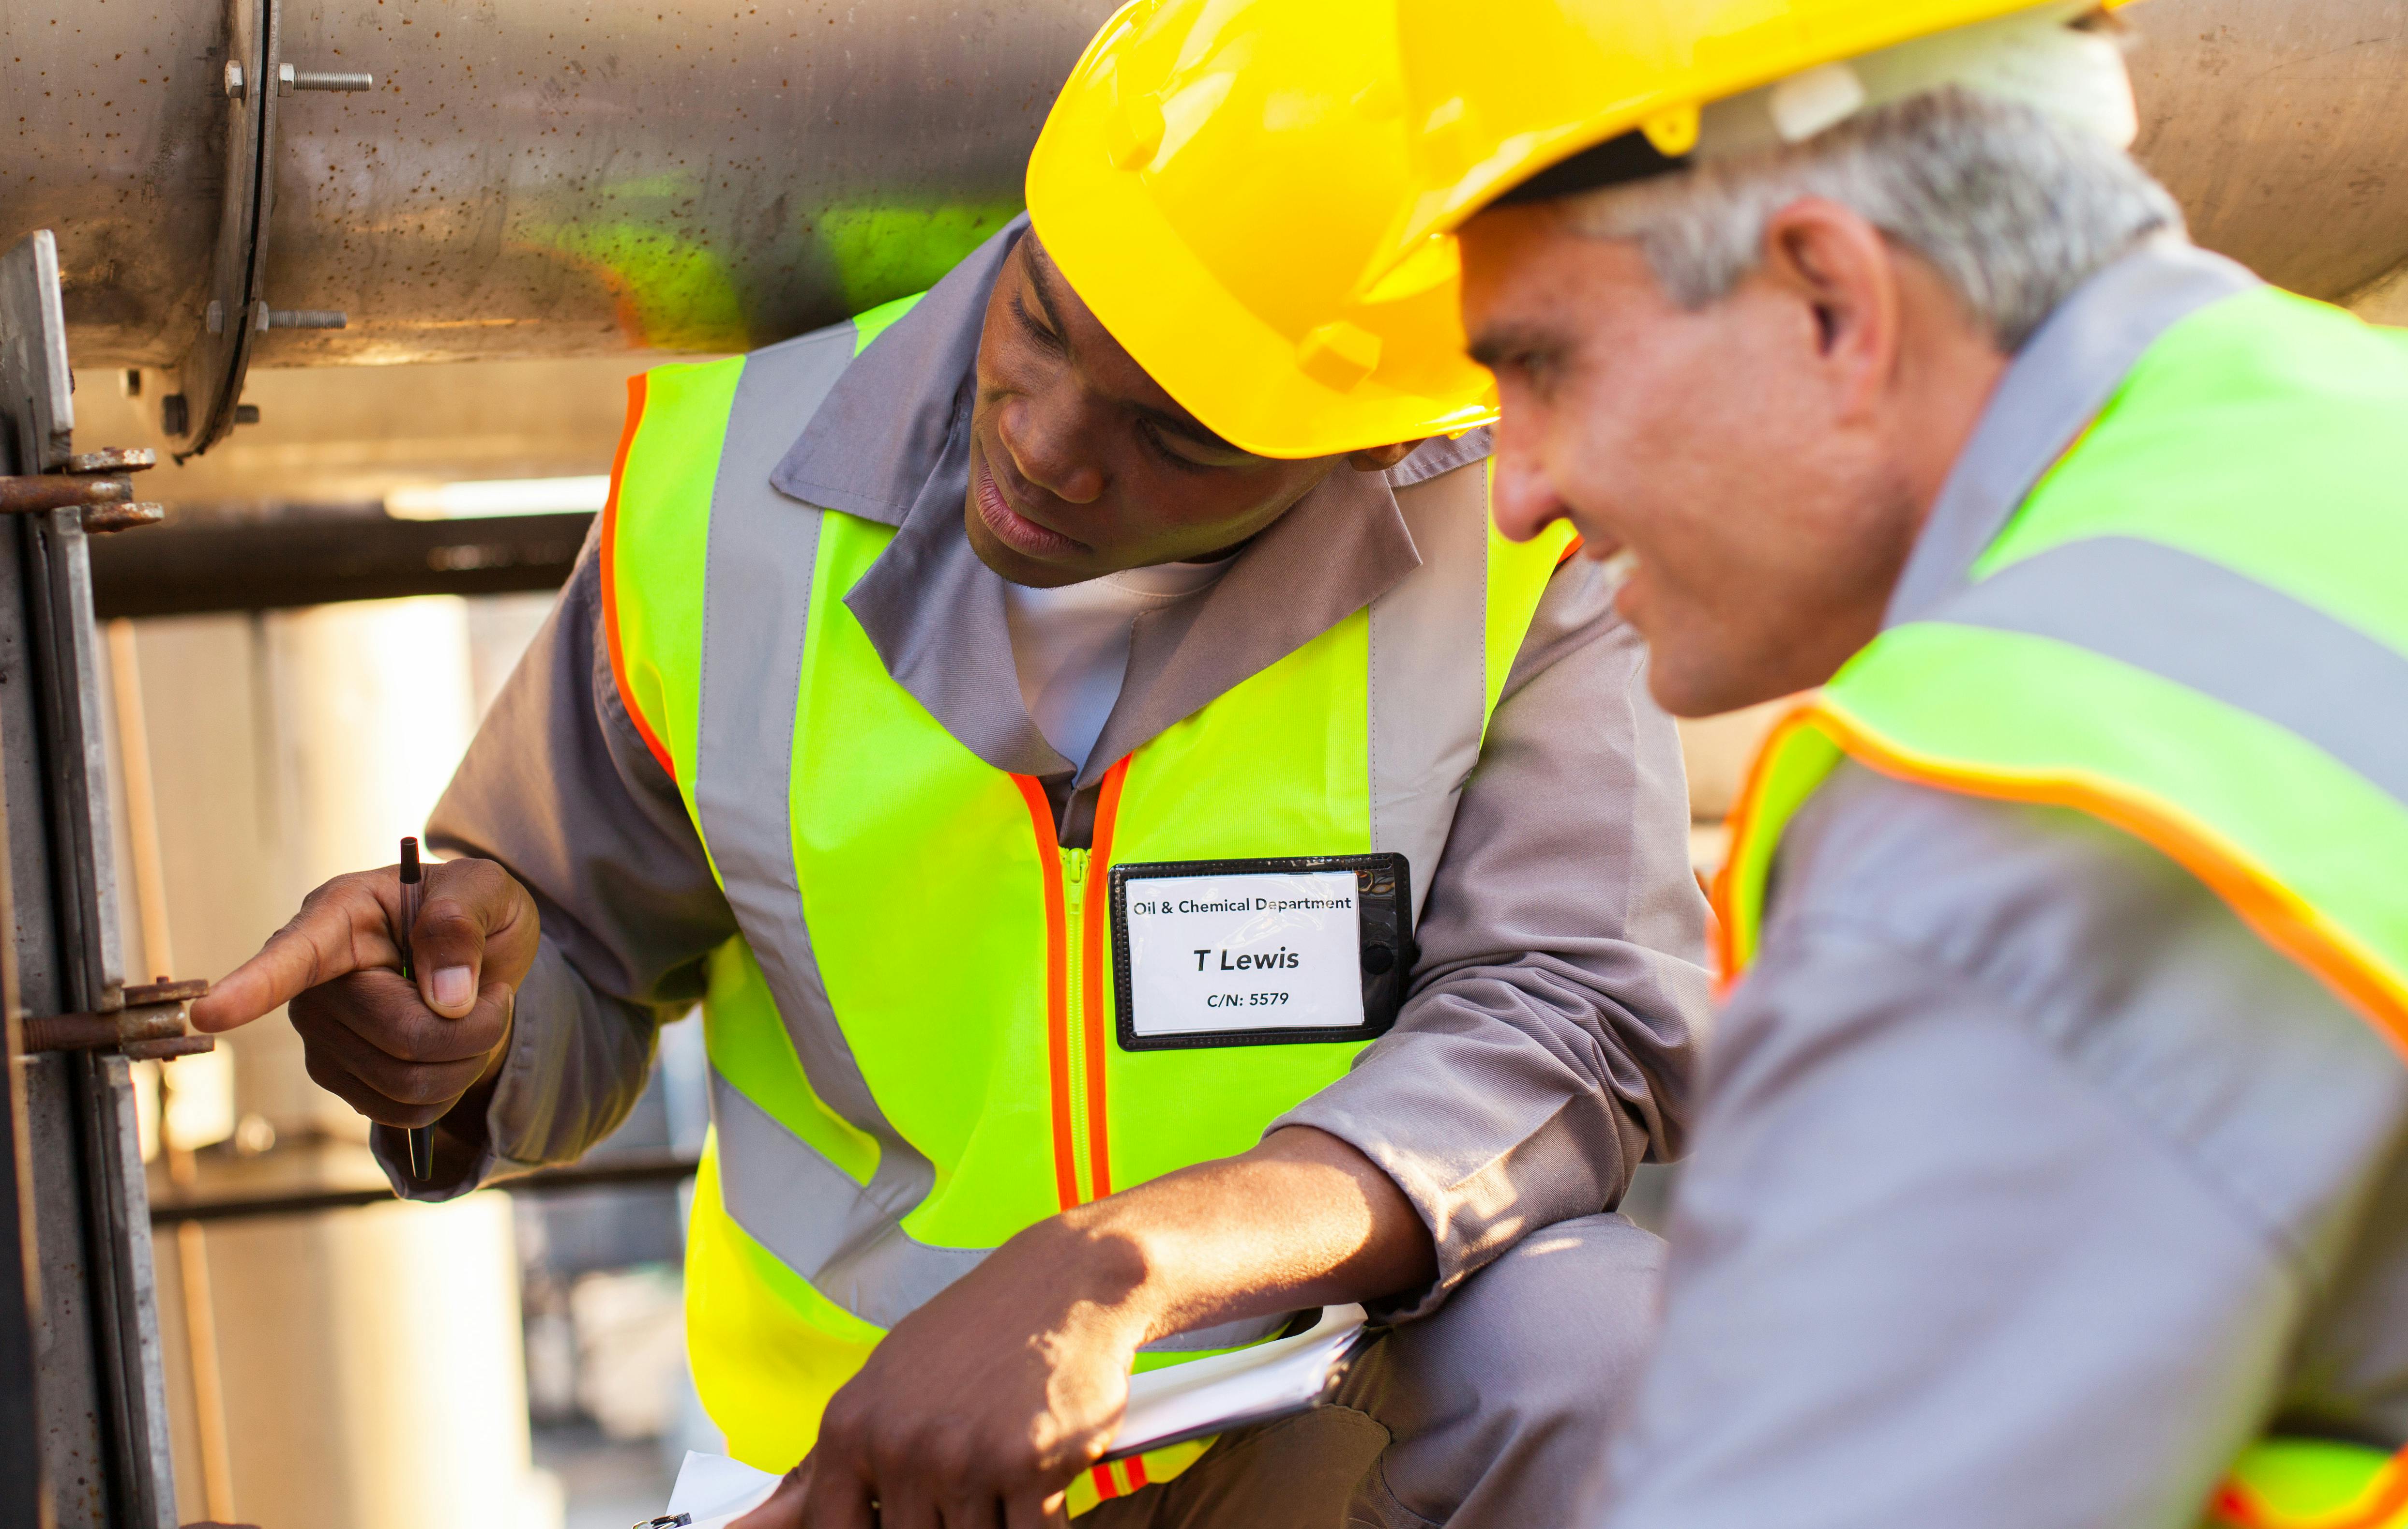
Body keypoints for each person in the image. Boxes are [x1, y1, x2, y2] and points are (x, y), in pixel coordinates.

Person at [188, 14, 1710, 1527]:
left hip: (1306, 1413)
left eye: (1175, 431)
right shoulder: (728, 484)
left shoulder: (1522, 535)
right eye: (1041, 315)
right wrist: (466, 1028)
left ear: (1366, 452)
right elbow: (568, 951)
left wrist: (1132, 1264)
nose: (1044, 446)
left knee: (1609, 1355)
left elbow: (1574, 1011)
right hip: (868, 1468)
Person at [1113, 0, 2405, 1523]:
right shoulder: (2342, 439)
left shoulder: (2021, 813)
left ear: (1832, 304)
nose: (1517, 493)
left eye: (1545, 366)